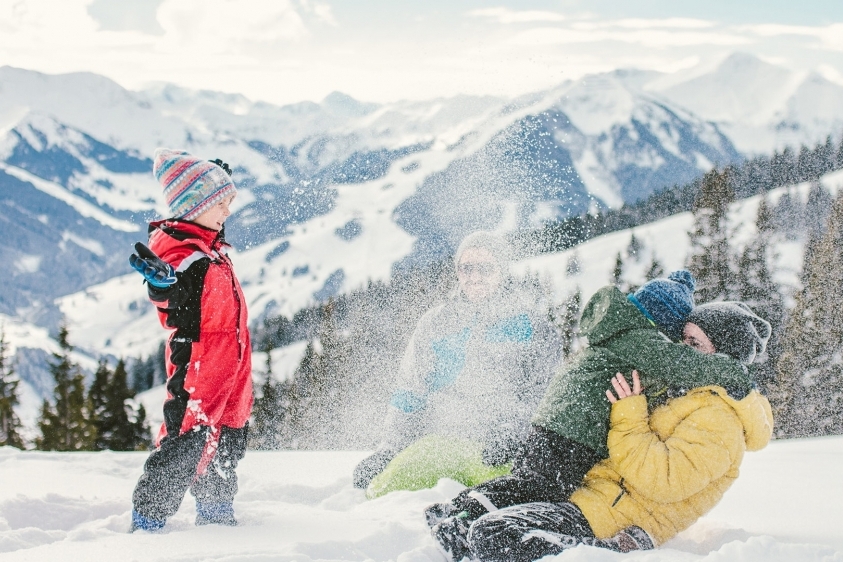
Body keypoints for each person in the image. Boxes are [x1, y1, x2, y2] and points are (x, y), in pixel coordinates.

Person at [427, 273, 760, 557]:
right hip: (580, 456)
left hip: (613, 509)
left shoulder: (720, 419)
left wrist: (629, 410)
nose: (680, 350)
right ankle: (463, 512)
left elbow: (663, 478)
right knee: (529, 491)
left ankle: (599, 550)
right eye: (679, 340)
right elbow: (673, 367)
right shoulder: (657, 362)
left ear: (725, 354)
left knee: (509, 514)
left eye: (693, 343)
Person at [353, 231, 561, 498]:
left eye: (485, 268)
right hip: (438, 446)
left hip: (496, 452)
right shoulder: (436, 323)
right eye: (467, 268)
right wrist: (390, 449)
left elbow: (544, 394)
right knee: (380, 491)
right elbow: (410, 391)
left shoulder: (533, 328)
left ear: (503, 271)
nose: (474, 276)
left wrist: (513, 433)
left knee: (494, 503)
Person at [128, 149, 252, 532]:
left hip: (232, 361)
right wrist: (160, 285)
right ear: (194, 206)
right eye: (222, 204)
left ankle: (216, 512)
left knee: (228, 433)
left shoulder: (206, 238)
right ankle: (148, 518)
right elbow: (169, 292)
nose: (227, 213)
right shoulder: (180, 254)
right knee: (187, 437)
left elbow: (210, 223)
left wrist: (217, 183)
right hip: (200, 360)